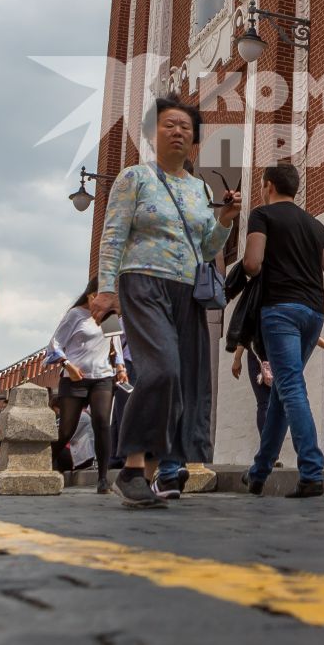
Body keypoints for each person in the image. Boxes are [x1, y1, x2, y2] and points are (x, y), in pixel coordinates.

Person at [91, 97, 238, 509]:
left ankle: (150, 476)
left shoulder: (200, 188)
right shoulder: (134, 177)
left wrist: (224, 220)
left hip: (187, 290)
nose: (177, 131)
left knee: (182, 381)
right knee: (161, 369)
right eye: (169, 124)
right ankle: (132, 466)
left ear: (194, 141)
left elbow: (207, 247)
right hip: (143, 283)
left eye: (186, 128)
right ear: (155, 133)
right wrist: (106, 289)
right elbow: (114, 234)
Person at [242, 163, 324, 499]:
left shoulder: (262, 215)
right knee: (279, 395)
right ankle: (258, 473)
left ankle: (312, 471)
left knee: (289, 386)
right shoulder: (315, 225)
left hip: (280, 311)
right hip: (313, 314)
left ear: (268, 185)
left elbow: (252, 263)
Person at [48, 284, 121, 494]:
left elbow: (115, 344)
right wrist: (67, 366)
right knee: (67, 429)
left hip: (103, 377)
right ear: (92, 295)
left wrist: (120, 367)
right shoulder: (75, 315)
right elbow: (54, 345)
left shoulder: (108, 317)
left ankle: (103, 478)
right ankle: (48, 461)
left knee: (101, 422)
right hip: (74, 378)